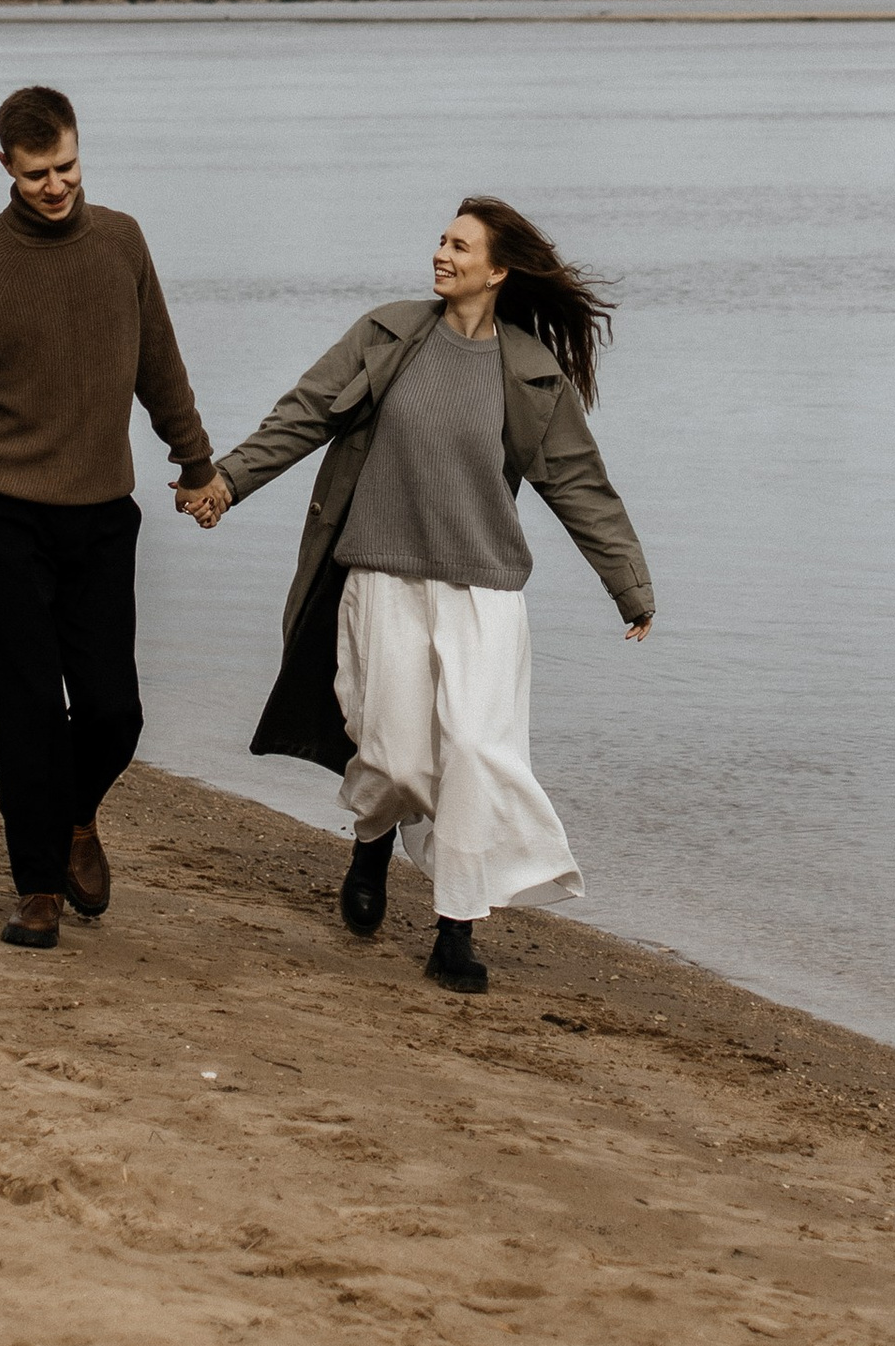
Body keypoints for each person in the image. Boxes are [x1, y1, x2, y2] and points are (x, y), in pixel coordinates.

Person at [180, 194, 652, 995]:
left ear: (497, 271)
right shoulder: (389, 335)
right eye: (441, 240)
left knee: (472, 753)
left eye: (460, 247)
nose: (442, 255)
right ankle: (372, 840)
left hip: (484, 593)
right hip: (382, 576)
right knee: (395, 757)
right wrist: (228, 481)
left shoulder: (529, 373)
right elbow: (304, 415)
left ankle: (455, 929)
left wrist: (628, 585)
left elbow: (577, 482)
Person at [0, 84, 215, 951]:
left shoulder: (121, 242)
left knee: (116, 711)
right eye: (37, 172)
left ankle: (76, 816)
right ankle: (37, 885)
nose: (55, 185)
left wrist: (195, 463)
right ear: (5, 166)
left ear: (81, 151)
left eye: (67, 166)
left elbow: (160, 361)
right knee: (30, 707)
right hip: (3, 515)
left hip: (104, 512)